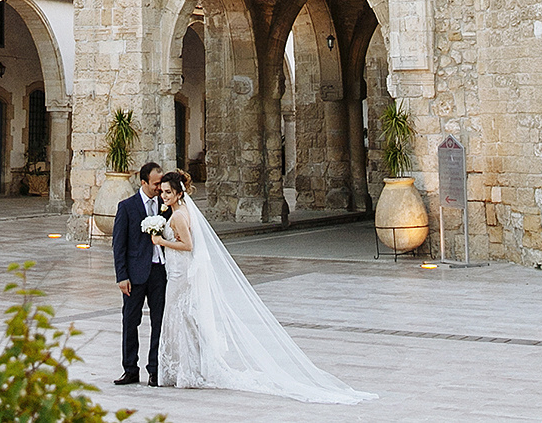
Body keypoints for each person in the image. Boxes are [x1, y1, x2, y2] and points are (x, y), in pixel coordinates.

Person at [147, 171, 375, 404]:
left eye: (168, 192)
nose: (164, 196)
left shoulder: (178, 217)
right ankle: (187, 370)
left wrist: (160, 240)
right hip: (179, 273)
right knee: (184, 320)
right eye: (162, 192)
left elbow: (188, 244)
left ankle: (187, 372)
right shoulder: (180, 212)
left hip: (180, 275)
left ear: (178, 193)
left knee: (180, 319)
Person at [111, 160, 167, 386]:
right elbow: (119, 245)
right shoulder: (127, 207)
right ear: (143, 182)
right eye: (155, 183)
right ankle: (130, 368)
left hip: (159, 272)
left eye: (161, 182)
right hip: (135, 274)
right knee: (130, 321)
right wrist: (121, 276)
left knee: (158, 321)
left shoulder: (166, 204)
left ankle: (154, 369)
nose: (159, 187)